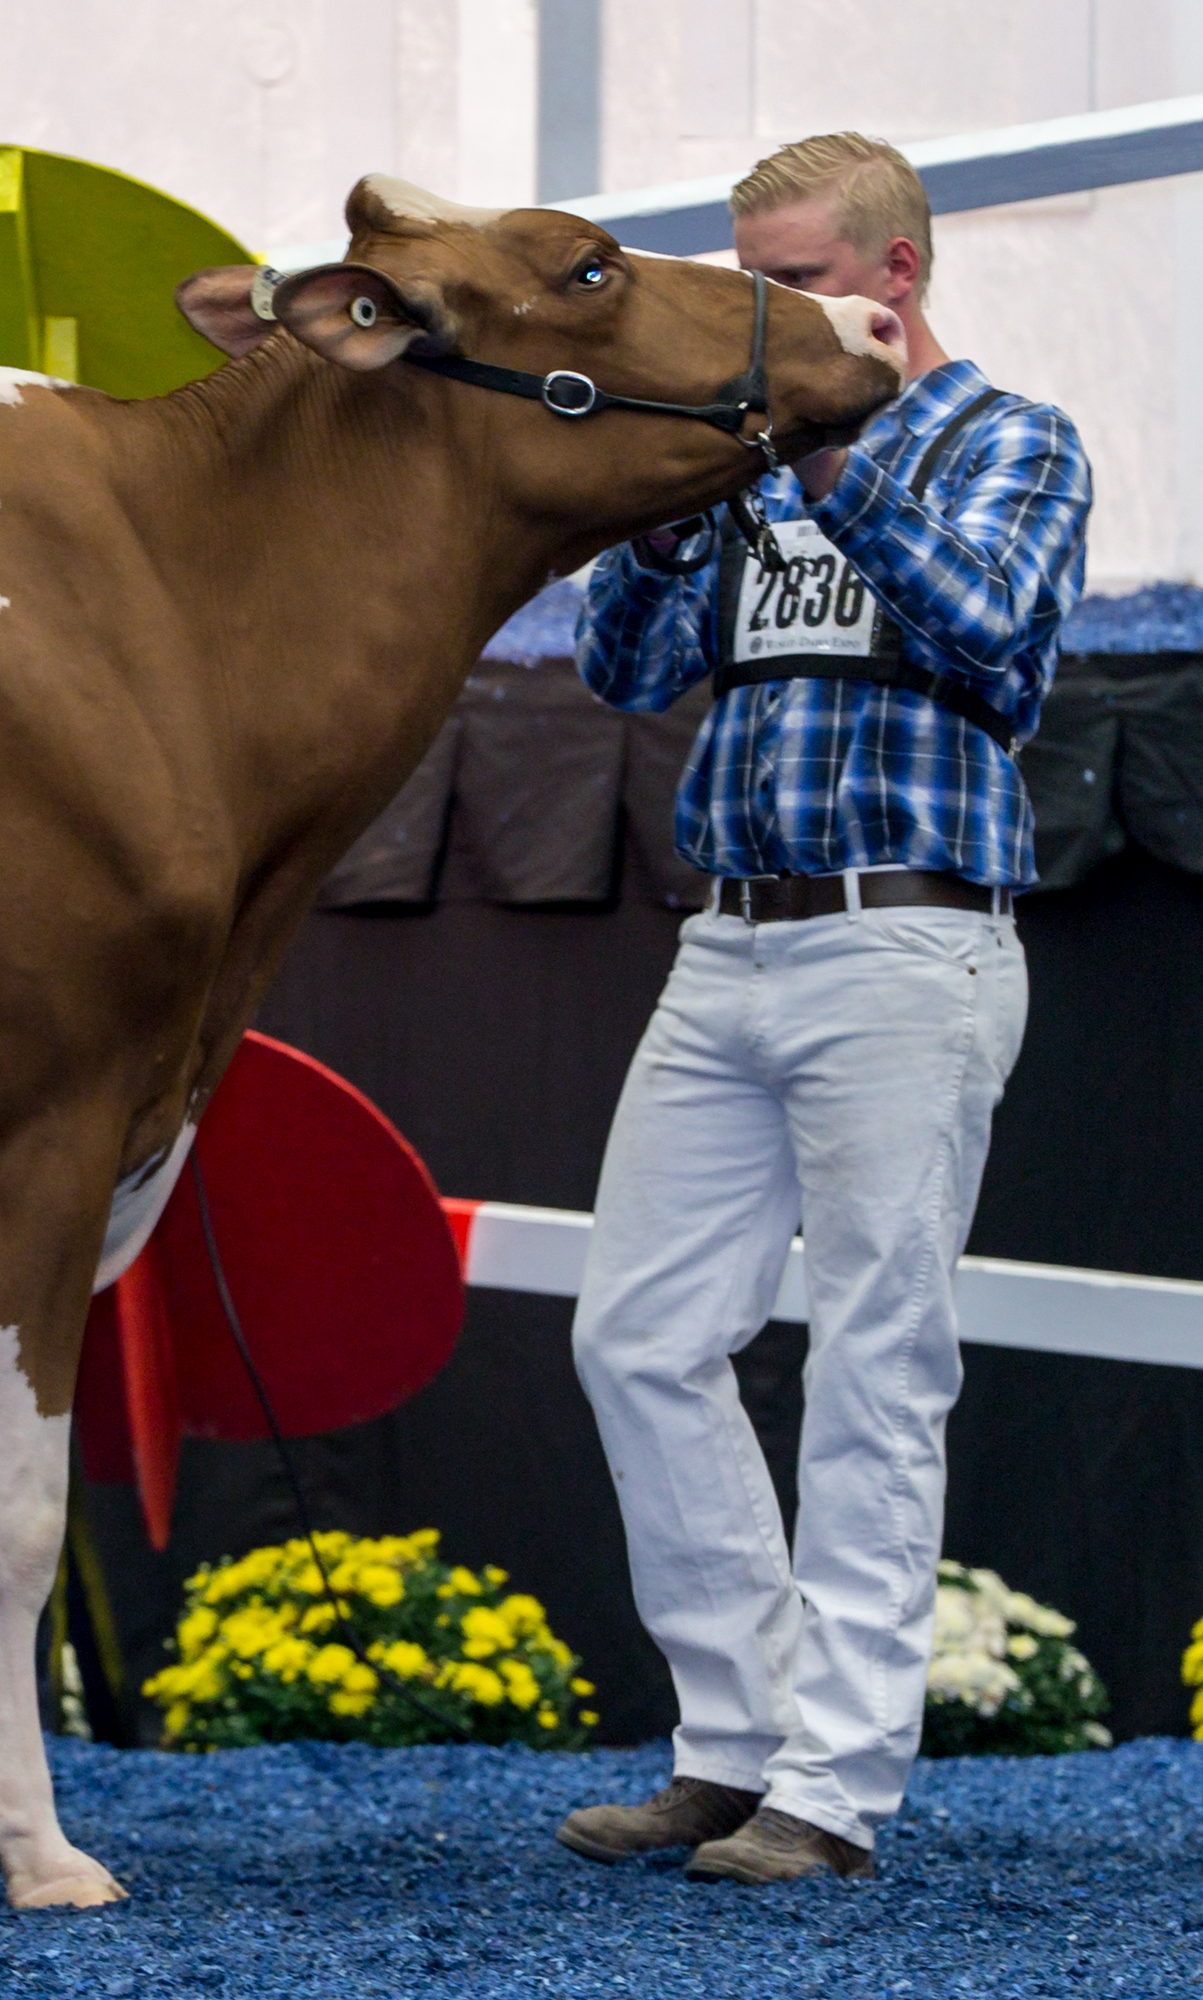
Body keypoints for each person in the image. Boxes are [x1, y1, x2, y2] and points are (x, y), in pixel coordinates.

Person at [556, 133, 1089, 1883]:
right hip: (730, 941)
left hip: (907, 942)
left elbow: (990, 627)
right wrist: (665, 511)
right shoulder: (746, 456)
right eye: (749, 279)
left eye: (789, 279)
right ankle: (737, 1742)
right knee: (637, 1335)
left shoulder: (1012, 440)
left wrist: (826, 458)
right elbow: (623, 671)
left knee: (876, 1364)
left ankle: (836, 1789)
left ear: (895, 274)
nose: (758, 307)